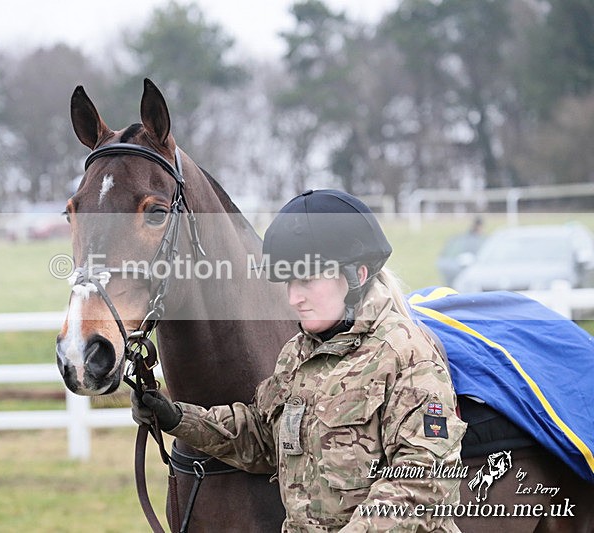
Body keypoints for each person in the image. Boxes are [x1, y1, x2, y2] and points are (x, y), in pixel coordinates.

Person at [132, 189, 467, 532]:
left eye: (306, 280)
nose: (294, 298)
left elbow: (423, 482)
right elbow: (265, 438)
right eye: (289, 282)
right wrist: (178, 418)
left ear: (357, 276)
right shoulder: (297, 354)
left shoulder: (407, 356)